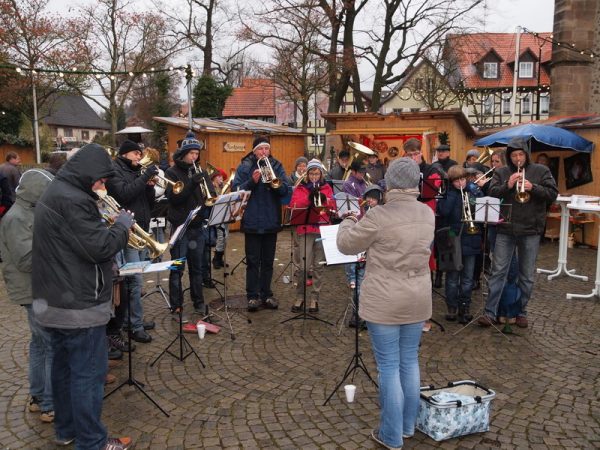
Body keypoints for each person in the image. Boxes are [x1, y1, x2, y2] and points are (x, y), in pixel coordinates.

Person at [31, 143, 134, 450]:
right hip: (79, 304)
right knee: (87, 377)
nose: (102, 186)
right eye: (101, 180)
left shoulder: (59, 190)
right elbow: (98, 248)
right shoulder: (73, 199)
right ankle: (92, 441)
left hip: (55, 302)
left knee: (62, 371)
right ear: (89, 174)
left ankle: (66, 430)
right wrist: (122, 228)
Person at [337, 157, 434, 450]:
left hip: (385, 299)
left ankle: (390, 436)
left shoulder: (379, 216)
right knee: (409, 362)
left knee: (389, 367)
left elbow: (346, 244)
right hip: (417, 296)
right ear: (416, 182)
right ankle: (406, 426)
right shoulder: (427, 214)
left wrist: (347, 221)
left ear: (389, 182)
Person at [478, 137, 558, 328]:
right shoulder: (502, 171)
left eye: (520, 154)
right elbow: (492, 192)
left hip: (531, 229)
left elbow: (552, 194)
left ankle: (521, 311)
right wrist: (508, 185)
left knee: (527, 274)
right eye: (513, 155)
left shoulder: (541, 170)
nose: (517, 159)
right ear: (509, 156)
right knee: (498, 272)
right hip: (506, 228)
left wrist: (533, 187)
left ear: (526, 154)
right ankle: (490, 312)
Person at [0, 169, 54, 423]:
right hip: (32, 290)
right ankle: (49, 404)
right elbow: (26, 259)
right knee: (50, 344)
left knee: (40, 345)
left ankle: (38, 396)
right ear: (35, 192)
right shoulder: (16, 217)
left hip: (37, 287)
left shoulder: (29, 211)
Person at [105, 139, 157, 344]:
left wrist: (150, 186)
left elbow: (148, 203)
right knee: (134, 282)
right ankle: (134, 326)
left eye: (140, 153)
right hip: (127, 232)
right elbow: (124, 194)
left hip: (141, 229)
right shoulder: (115, 171)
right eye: (136, 153)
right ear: (125, 154)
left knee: (136, 280)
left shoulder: (136, 172)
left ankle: (132, 319)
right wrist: (144, 177)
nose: (139, 157)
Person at [232, 135, 291, 312]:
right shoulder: (245, 166)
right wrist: (252, 181)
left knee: (267, 261)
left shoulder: (277, 165)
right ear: (254, 150)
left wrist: (274, 184)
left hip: (271, 219)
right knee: (252, 261)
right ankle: (252, 296)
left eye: (266, 149)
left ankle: (266, 294)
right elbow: (235, 191)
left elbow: (285, 190)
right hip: (252, 221)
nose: (264, 152)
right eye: (260, 149)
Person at [165, 132, 215, 323]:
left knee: (198, 268)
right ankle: (176, 305)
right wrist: (192, 184)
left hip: (197, 226)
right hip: (180, 227)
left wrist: (208, 188)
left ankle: (198, 301)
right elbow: (175, 199)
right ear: (184, 153)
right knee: (177, 268)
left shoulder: (199, 169)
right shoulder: (172, 173)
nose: (195, 157)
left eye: (197, 153)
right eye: (191, 153)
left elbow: (210, 195)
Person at [436, 165, 483, 324]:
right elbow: (443, 212)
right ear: (451, 182)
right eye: (456, 181)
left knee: (468, 277)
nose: (460, 183)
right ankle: (452, 307)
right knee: (452, 276)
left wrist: (474, 192)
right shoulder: (447, 194)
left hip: (471, 237)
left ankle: (465, 307)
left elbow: (481, 210)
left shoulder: (473, 191)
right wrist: (452, 194)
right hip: (453, 238)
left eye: (462, 179)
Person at [289, 159, 334, 313]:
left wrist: (324, 199)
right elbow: (294, 204)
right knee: (303, 266)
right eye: (311, 173)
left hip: (322, 230)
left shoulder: (327, 187)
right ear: (307, 174)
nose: (314, 176)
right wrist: (309, 198)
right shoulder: (300, 188)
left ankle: (314, 298)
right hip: (305, 229)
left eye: (317, 173)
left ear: (321, 174)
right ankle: (300, 296)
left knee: (319, 266)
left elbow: (332, 206)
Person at [342, 160, 369, 288]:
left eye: (364, 172)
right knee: (351, 248)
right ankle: (351, 277)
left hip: (364, 218)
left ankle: (361, 274)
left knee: (362, 249)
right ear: (353, 171)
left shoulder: (363, 182)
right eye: (360, 172)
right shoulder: (348, 184)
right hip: (353, 219)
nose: (362, 175)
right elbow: (351, 203)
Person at [211, 168, 229, 269]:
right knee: (221, 236)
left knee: (225, 237)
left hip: (224, 214)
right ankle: (216, 259)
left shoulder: (222, 187)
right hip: (216, 215)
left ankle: (220, 258)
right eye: (219, 177)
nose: (221, 179)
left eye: (222, 177)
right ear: (214, 178)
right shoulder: (211, 188)